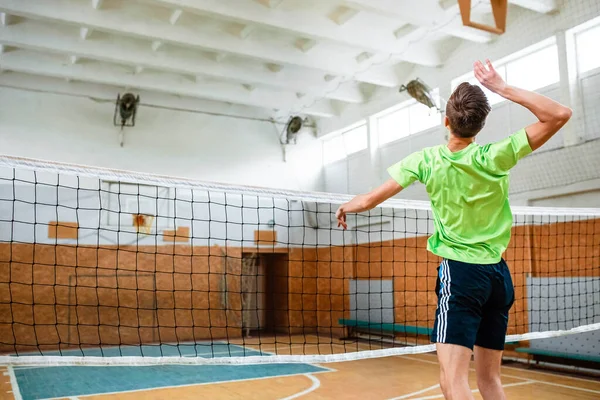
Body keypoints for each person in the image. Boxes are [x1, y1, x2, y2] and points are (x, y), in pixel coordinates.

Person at [336, 60, 572, 400]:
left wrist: (347, 206)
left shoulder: (425, 160)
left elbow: (370, 199)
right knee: (491, 381)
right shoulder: (496, 156)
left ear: (446, 121)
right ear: (480, 124)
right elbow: (559, 114)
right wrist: (502, 87)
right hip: (497, 277)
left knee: (453, 381)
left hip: (461, 277)